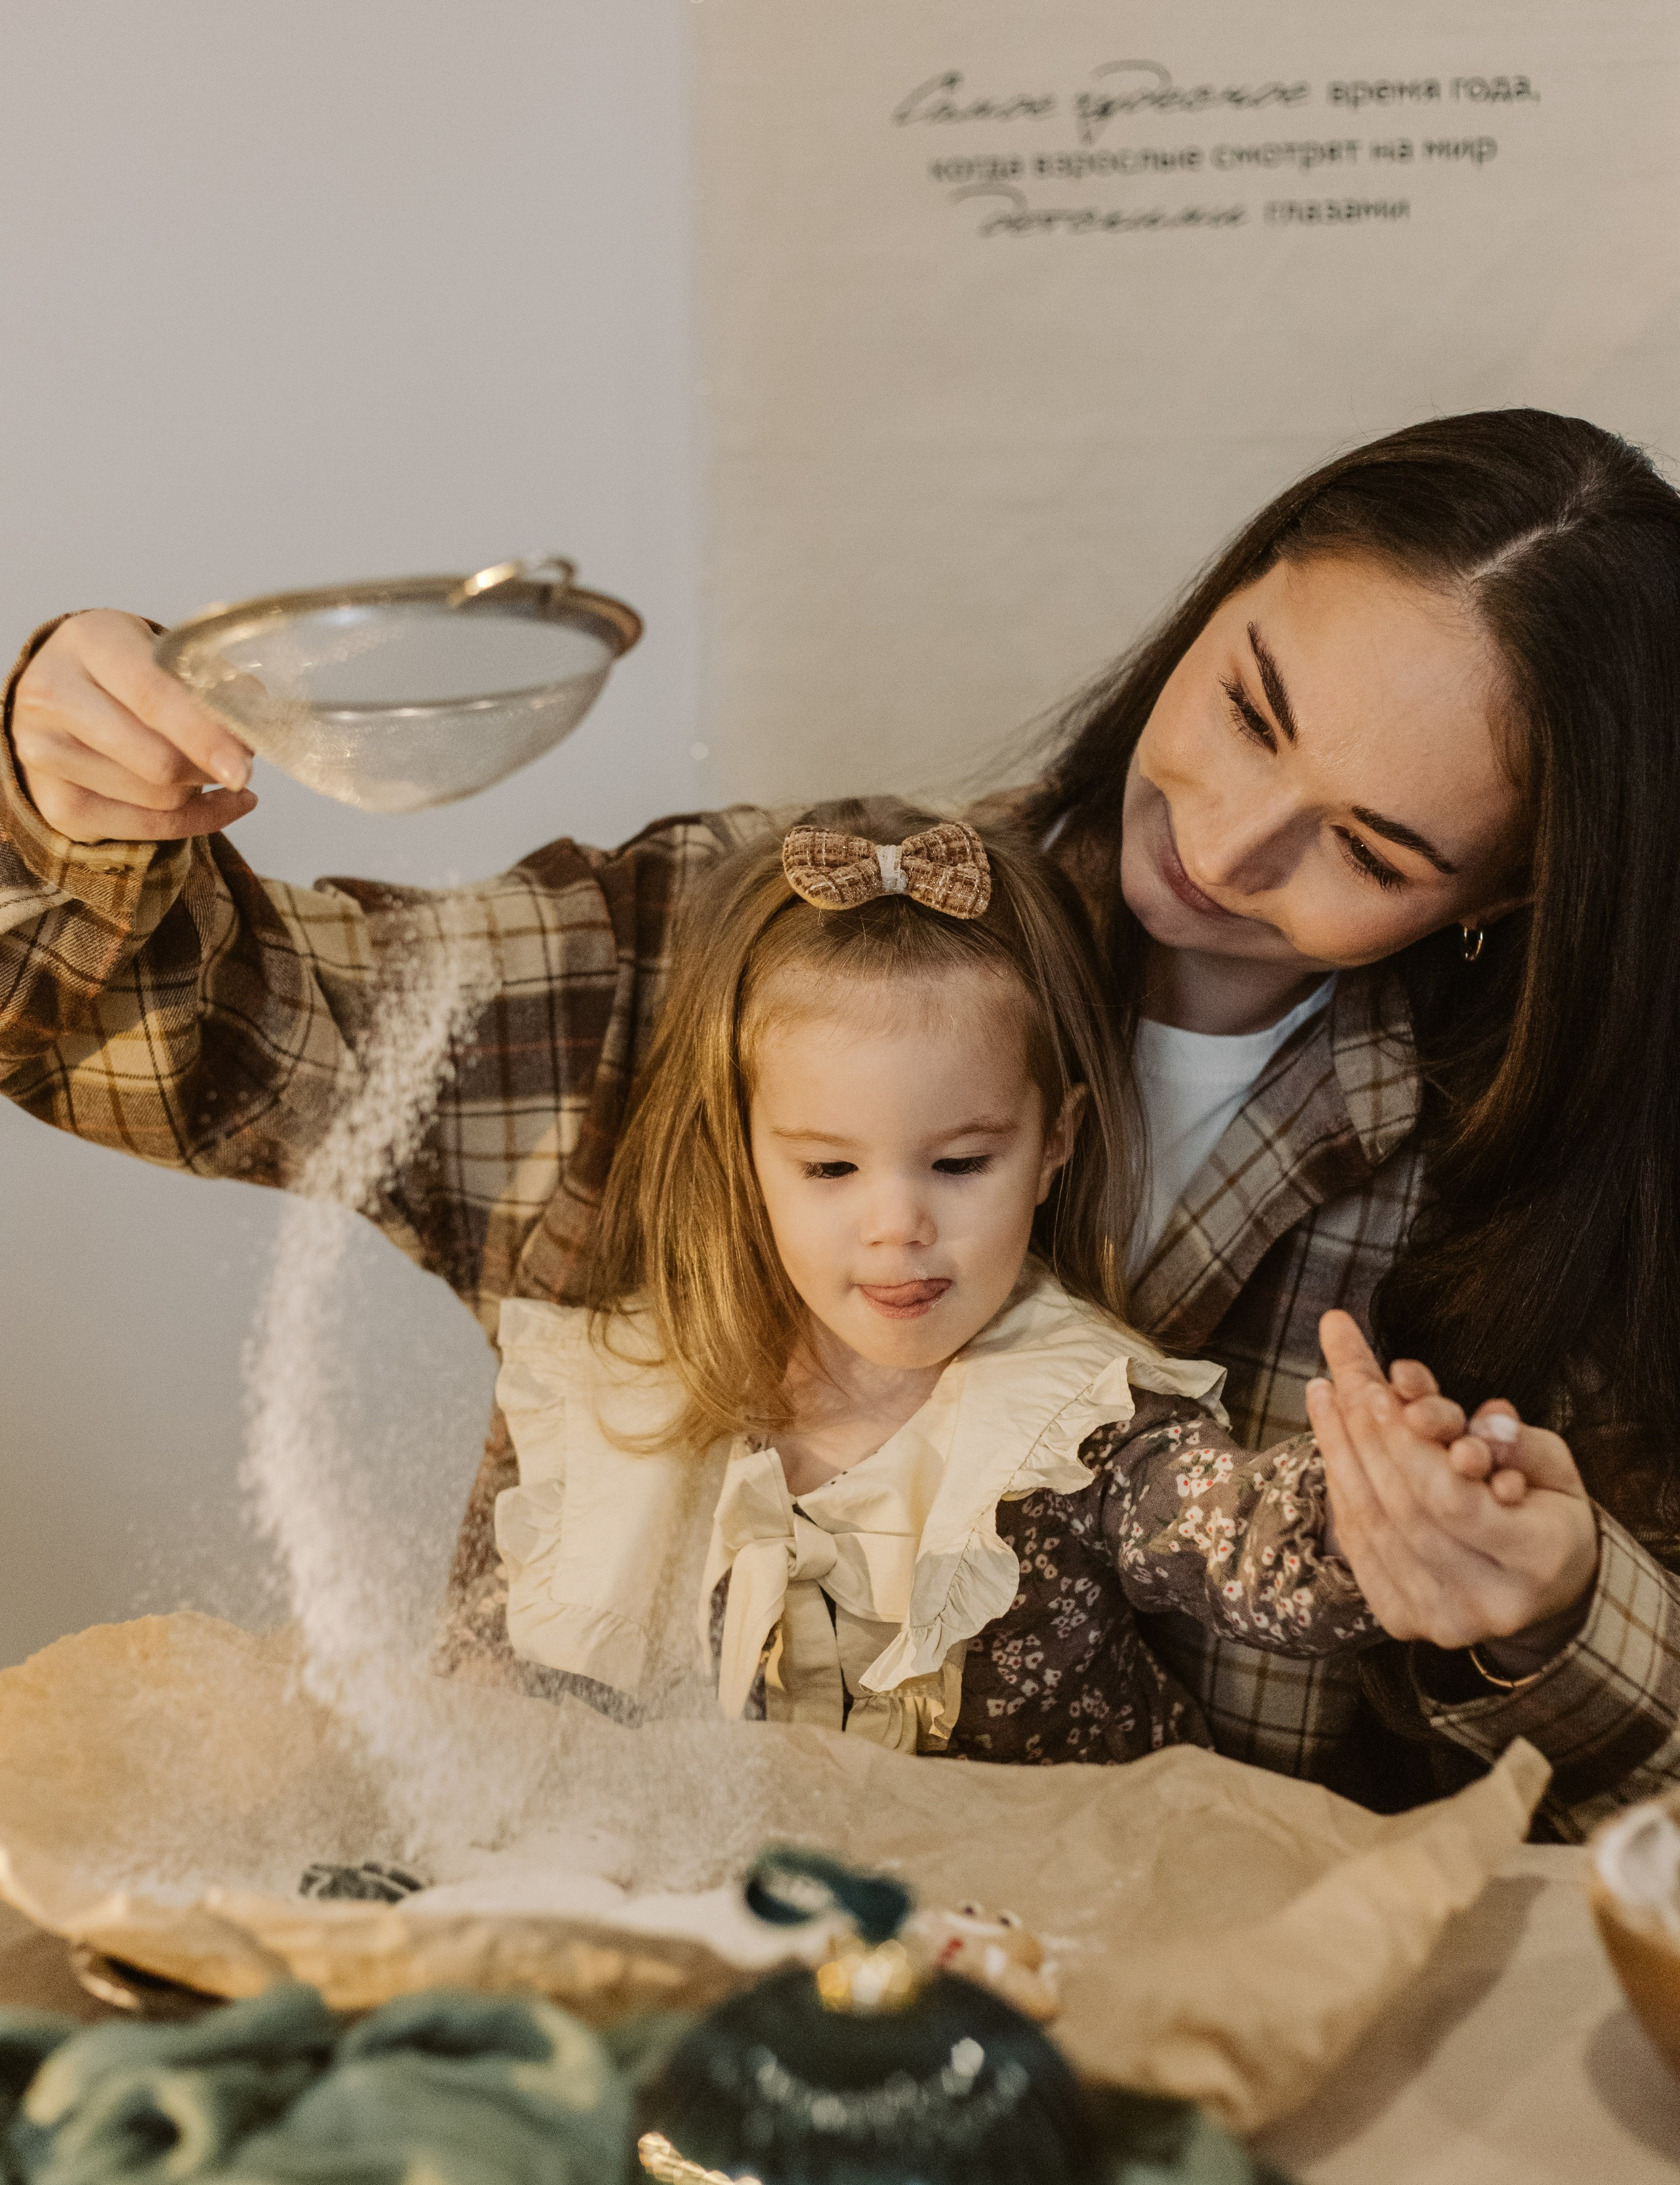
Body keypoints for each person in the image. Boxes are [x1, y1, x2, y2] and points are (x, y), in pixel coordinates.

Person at [5, 407, 1677, 1829]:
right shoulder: (750, 948)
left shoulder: (1541, 1176)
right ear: (1224, 591)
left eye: (1370, 850)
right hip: (624, 1965)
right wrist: (67, 789)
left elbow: (1639, 1796)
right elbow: (181, 1035)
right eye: (1246, 707)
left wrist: (1542, 1607)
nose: (1225, 846)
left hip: (1201, 2078)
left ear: (1512, 893)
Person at [488, 802, 1580, 1760]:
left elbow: (1241, 1541)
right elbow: (508, 1674)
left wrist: (1383, 1507)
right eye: (828, 1167)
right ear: (745, 1153)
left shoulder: (1079, 1414)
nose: (898, 1227)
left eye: (961, 1164)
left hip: (1061, 1922)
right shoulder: (639, 1384)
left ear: (1055, 1142)